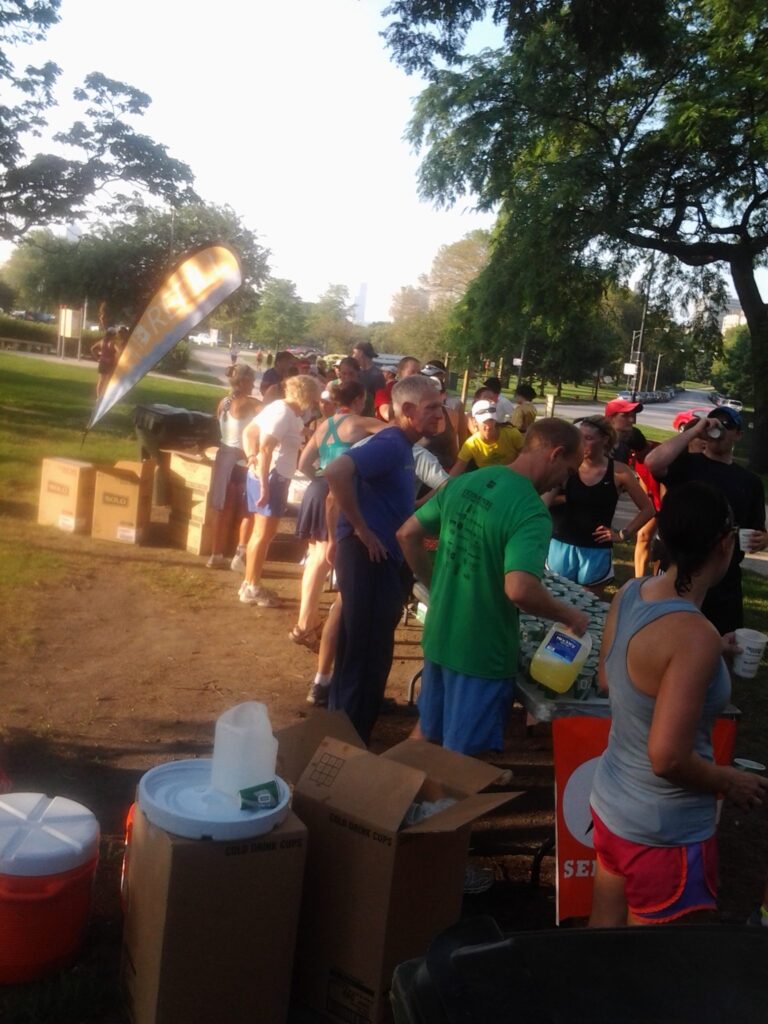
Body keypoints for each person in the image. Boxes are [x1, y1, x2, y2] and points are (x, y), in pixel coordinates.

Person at [588, 482, 768, 927]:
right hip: (663, 829)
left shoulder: (632, 591)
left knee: (600, 951)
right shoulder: (694, 636)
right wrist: (731, 781)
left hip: (612, 802)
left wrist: (702, 659)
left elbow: (610, 678)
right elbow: (667, 758)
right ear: (725, 543)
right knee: (656, 976)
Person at [396, 419, 590, 755]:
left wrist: (436, 585)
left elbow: (407, 534)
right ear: (555, 454)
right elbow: (519, 589)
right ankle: (441, 808)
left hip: (441, 634)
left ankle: (396, 801)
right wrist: (568, 614)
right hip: (481, 650)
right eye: (568, 472)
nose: (564, 481)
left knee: (427, 732)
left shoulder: (465, 481)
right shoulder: (531, 512)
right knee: (462, 758)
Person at [323, 375, 445, 744]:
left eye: (440, 406)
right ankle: (349, 744)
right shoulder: (392, 443)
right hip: (368, 556)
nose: (440, 416)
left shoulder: (402, 447)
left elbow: (393, 504)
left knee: (360, 648)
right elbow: (336, 471)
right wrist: (359, 529)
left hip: (376, 554)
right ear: (407, 411)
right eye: (432, 408)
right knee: (367, 652)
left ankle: (340, 733)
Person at [645, 406, 767, 634]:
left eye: (726, 425)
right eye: (713, 422)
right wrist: (694, 431)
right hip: (677, 568)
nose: (717, 428)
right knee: (663, 632)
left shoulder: (749, 481)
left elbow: (756, 528)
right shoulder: (688, 463)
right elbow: (653, 462)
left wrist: (763, 539)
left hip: (722, 578)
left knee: (719, 640)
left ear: (738, 435)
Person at [291, 381, 385, 649]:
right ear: (359, 398)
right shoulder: (360, 423)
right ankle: (313, 625)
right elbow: (397, 434)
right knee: (328, 557)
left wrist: (319, 478)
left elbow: (302, 463)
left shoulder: (324, 424)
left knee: (315, 559)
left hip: (316, 487)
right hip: (337, 491)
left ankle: (305, 621)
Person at [238, 374, 321, 606]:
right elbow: (265, 447)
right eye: (314, 398)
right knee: (263, 535)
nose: (315, 403)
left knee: (261, 534)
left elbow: (249, 433)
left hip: (268, 476)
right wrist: (264, 482)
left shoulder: (282, 409)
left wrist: (250, 457)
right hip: (271, 479)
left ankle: (249, 582)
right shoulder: (284, 413)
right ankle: (252, 587)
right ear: (306, 396)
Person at [547, 416, 654, 592]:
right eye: (579, 437)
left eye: (588, 438)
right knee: (556, 604)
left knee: (587, 609)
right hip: (561, 544)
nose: (581, 443)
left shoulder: (619, 472)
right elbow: (542, 502)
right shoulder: (567, 466)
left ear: (605, 440)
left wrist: (623, 535)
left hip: (595, 550)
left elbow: (648, 509)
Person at [206, 363, 261, 569]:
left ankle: (216, 553)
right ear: (245, 381)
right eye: (252, 381)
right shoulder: (251, 404)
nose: (253, 385)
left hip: (223, 458)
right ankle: (240, 553)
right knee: (247, 508)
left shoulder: (224, 402)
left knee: (221, 507)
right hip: (241, 460)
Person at [449, 399, 524, 476]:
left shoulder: (512, 434)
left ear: (496, 420)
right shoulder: (471, 444)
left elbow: (526, 458)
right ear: (475, 421)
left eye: (491, 420)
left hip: (511, 476)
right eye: (484, 421)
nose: (489, 426)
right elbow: (456, 470)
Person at [374, 355, 420, 421]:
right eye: (412, 372)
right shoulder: (386, 390)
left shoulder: (422, 392)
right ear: (400, 372)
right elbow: (387, 414)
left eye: (419, 373)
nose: (416, 376)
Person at [351, 341, 385, 415]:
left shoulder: (377, 375)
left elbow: (380, 400)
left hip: (370, 417)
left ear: (361, 353)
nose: (353, 356)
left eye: (354, 353)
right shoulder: (356, 373)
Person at [91, 327, 119, 398]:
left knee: (101, 381)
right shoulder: (112, 342)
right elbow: (119, 351)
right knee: (108, 381)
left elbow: (92, 348)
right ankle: (105, 396)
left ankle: (98, 397)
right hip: (110, 363)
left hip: (102, 362)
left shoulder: (102, 341)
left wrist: (97, 358)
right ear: (113, 335)